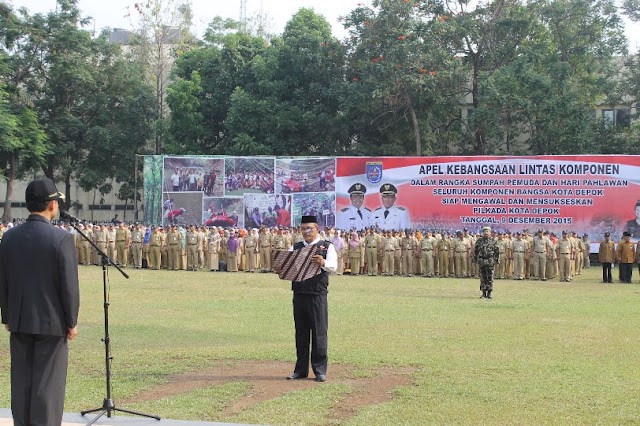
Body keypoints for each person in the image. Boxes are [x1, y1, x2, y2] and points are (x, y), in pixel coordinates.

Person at [0, 178, 80, 425]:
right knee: (48, 387)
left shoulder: (9, 237)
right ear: (52, 205)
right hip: (51, 322)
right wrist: (71, 321)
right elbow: (68, 286)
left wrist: (7, 316)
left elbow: (3, 279)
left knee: (22, 383)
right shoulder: (60, 239)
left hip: (20, 320)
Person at [281, 215, 337, 383]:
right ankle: (300, 370)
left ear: (316, 229)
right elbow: (286, 268)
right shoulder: (295, 247)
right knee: (301, 333)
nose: (306, 232)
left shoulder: (326, 247)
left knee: (319, 333)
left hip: (317, 295)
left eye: (309, 228)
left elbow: (334, 267)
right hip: (299, 295)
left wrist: (322, 262)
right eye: (303, 229)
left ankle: (319, 370)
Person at [473, 226, 500, 299]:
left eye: (487, 231)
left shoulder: (493, 241)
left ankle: (489, 293)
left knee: (490, 277)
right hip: (482, 261)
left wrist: (497, 260)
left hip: (490, 261)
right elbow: (476, 251)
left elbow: (496, 251)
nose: (486, 233)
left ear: (490, 232)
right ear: (482, 233)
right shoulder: (479, 241)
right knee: (482, 277)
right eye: (485, 231)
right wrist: (475, 260)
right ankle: (483, 293)